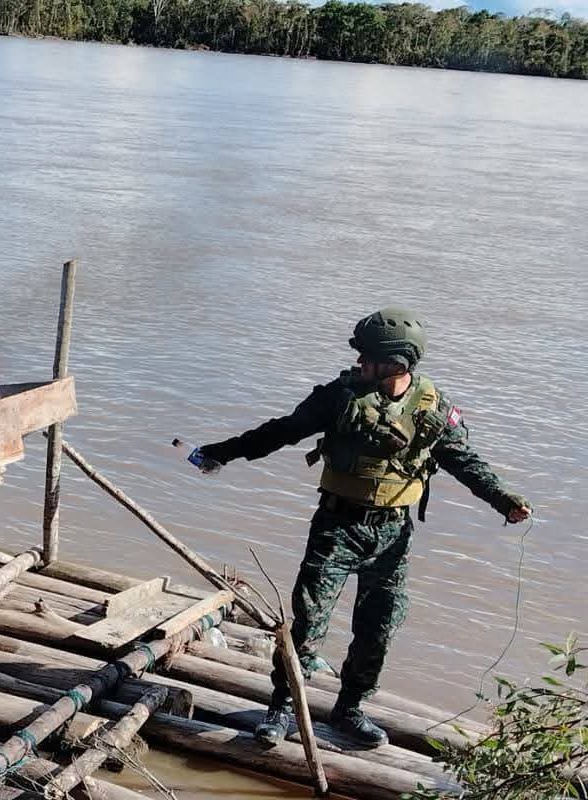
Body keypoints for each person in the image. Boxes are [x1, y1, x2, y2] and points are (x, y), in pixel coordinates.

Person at [197, 309, 531, 748]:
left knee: (379, 625)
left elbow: (464, 462)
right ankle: (281, 705)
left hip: (393, 533)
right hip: (337, 525)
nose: (359, 363)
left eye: (368, 357)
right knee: (309, 621)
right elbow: (283, 431)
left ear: (397, 363)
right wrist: (222, 452)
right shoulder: (340, 397)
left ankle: (349, 708)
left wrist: (504, 501)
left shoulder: (434, 407)